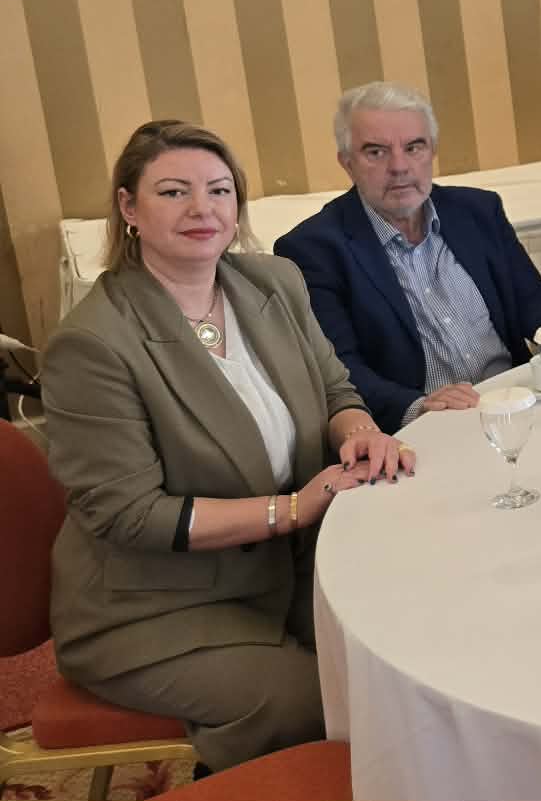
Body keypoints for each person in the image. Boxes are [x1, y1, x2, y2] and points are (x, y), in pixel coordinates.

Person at [41, 121, 413, 770]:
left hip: (287, 567)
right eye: (173, 192)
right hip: (155, 606)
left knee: (406, 644)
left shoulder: (273, 282)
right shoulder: (92, 344)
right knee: (318, 700)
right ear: (129, 207)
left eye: (218, 190)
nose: (202, 208)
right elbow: (130, 513)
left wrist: (362, 435)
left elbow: (335, 391)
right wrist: (292, 509)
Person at [275, 83, 541, 434]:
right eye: (376, 152)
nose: (400, 166)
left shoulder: (477, 210)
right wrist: (418, 406)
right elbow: (341, 371)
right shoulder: (314, 249)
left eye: (414, 147)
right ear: (347, 163)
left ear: (432, 151)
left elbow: (528, 298)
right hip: (425, 429)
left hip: (516, 403)